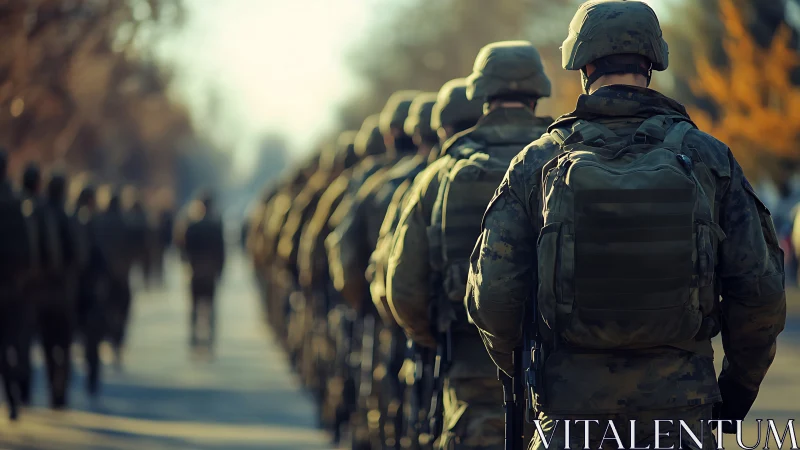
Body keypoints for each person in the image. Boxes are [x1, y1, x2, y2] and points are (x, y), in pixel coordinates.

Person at [465, 1, 787, 449]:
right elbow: (760, 294)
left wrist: (532, 375)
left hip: (568, 412)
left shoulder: (536, 162)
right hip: (680, 412)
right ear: (652, 62)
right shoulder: (710, 157)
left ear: (583, 64)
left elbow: (494, 297)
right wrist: (732, 397)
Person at [387, 41, 554, 449]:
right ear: (537, 92)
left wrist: (446, 336)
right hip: (564, 381)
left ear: (480, 94)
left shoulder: (439, 174)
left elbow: (403, 290)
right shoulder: (566, 157)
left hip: (470, 373)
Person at [0, 150, 35, 419]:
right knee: (14, 341)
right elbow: (29, 248)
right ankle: (16, 393)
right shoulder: (16, 202)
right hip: (13, 285)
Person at [39, 171, 78, 408]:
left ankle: (50, 383)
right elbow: (80, 255)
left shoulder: (37, 214)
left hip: (39, 291)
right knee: (64, 344)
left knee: (46, 342)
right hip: (64, 291)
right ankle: (60, 391)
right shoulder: (69, 217)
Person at [176, 191, 226, 352]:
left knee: (195, 306)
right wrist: (219, 270)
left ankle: (193, 337)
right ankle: (210, 339)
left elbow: (183, 248)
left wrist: (188, 264)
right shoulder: (216, 226)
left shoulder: (191, 225)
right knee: (210, 306)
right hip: (210, 272)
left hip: (195, 272)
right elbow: (221, 252)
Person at [94, 186, 135, 369]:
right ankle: (117, 341)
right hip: (122, 275)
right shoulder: (126, 223)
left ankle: (109, 339)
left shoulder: (98, 222)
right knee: (122, 309)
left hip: (104, 276)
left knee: (106, 309)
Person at [72, 183, 106, 397]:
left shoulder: (71, 218)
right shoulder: (93, 222)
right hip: (89, 288)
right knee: (91, 338)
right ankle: (91, 378)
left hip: (73, 287)